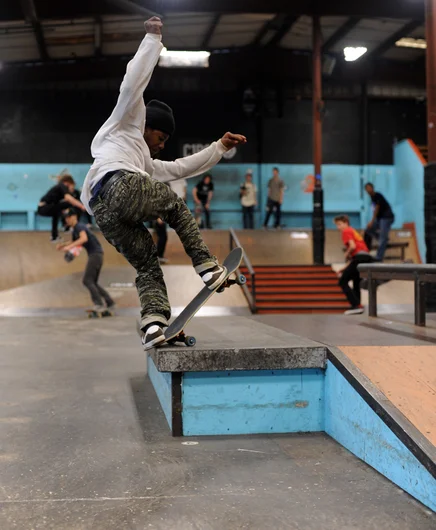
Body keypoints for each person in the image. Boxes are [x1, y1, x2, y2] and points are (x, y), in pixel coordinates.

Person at [80, 16, 246, 350]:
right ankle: (206, 266)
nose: (162, 143)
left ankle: (154, 324)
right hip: (118, 184)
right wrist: (152, 40)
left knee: (147, 265)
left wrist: (218, 148)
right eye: (160, 136)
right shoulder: (126, 122)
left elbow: (179, 168)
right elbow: (132, 84)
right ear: (147, 125)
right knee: (173, 203)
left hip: (104, 212)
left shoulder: (141, 160)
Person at [57, 209, 115, 313]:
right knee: (93, 282)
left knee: (87, 280)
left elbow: (83, 239)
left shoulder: (79, 226)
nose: (67, 220)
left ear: (74, 217)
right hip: (97, 254)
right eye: (66, 218)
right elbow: (75, 240)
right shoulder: (76, 229)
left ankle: (99, 304)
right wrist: (63, 245)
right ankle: (110, 302)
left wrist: (69, 247)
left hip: (95, 255)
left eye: (68, 217)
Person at [334, 214, 374, 315]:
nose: (338, 227)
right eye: (337, 225)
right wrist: (343, 269)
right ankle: (358, 306)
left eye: (339, 224)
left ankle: (356, 304)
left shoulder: (346, 231)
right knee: (356, 281)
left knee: (342, 281)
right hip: (366, 257)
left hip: (359, 258)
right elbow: (354, 258)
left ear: (346, 223)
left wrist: (346, 253)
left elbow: (352, 246)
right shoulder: (352, 230)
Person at [37, 174, 86, 241]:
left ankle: (54, 236)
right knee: (72, 204)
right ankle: (69, 228)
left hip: (43, 208)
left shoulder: (59, 188)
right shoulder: (62, 185)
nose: (72, 189)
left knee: (56, 214)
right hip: (44, 207)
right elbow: (68, 198)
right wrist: (82, 206)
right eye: (72, 186)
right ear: (68, 183)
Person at [363, 183, 395, 261]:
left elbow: (377, 209)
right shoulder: (372, 197)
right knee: (368, 230)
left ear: (372, 188)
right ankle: (381, 239)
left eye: (369, 188)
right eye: (366, 189)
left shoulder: (377, 195)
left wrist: (372, 221)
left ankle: (379, 257)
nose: (368, 190)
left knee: (382, 238)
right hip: (380, 219)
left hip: (387, 218)